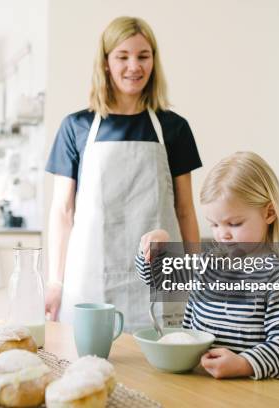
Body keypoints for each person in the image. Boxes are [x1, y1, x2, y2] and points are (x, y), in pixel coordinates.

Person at [45, 16, 202, 331]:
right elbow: (63, 212)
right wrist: (55, 283)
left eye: (143, 56)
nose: (134, 66)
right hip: (90, 277)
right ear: (105, 63)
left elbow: (185, 210)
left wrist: (196, 276)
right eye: (123, 56)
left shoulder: (174, 128)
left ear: (154, 62)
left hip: (160, 276)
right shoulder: (76, 127)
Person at [136, 152, 279, 384]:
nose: (222, 234)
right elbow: (156, 277)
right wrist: (155, 246)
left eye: (234, 224)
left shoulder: (277, 275)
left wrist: (243, 364)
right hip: (212, 390)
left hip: (263, 396)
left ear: (269, 213)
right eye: (214, 224)